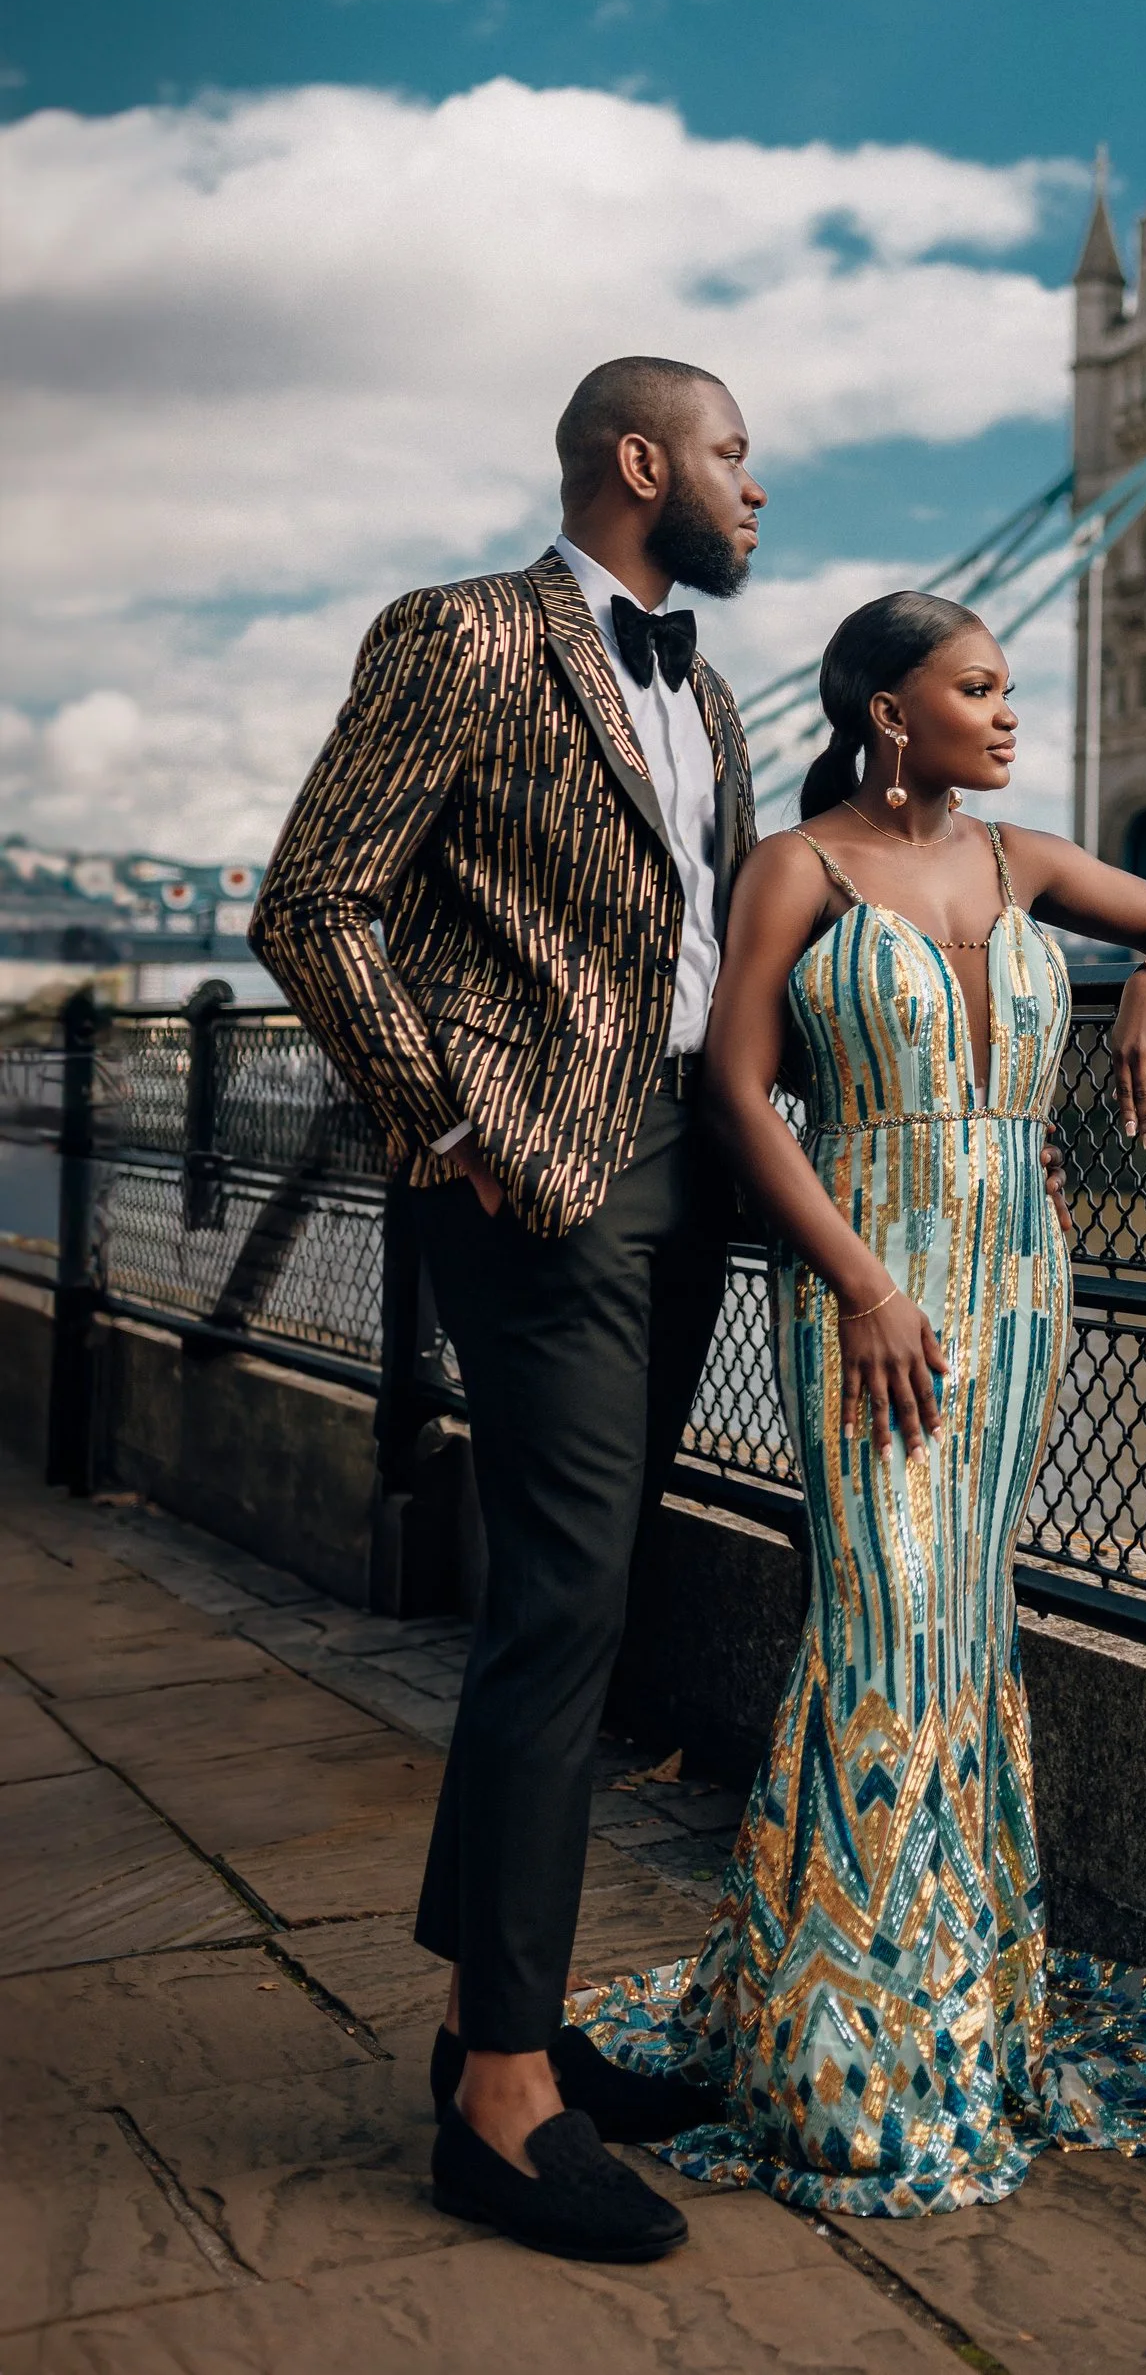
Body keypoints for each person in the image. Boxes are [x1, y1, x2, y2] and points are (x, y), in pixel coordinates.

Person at [574, 590, 1146, 2215]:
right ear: (890, 708)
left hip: (1019, 1286)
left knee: (970, 1626)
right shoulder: (797, 870)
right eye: (979, 688)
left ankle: (970, 2011)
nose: (1009, 716)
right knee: (884, 1626)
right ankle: (853, 2043)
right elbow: (735, 1093)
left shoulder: (1022, 863)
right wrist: (867, 1285)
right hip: (866, 1285)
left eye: (1009, 689)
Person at [252, 355, 765, 2264]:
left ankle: (493, 2021)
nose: (753, 488)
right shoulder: (461, 635)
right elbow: (313, 900)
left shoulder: (699, 685)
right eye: (732, 453)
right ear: (641, 462)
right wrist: (445, 1116)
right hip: (539, 1183)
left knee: (595, 1594)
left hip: (686, 1179)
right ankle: (501, 2111)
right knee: (560, 1607)